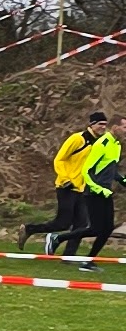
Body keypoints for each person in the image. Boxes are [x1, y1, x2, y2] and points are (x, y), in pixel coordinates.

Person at [25, 111, 106, 255]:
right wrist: (65, 179)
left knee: (81, 225)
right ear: (92, 124)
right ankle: (30, 229)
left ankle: (69, 255)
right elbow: (59, 159)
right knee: (62, 223)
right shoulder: (78, 138)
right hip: (67, 186)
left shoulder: (99, 143)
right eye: (100, 124)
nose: (103, 127)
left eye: (105, 124)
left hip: (82, 189)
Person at [70, 114, 123, 271]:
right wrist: (99, 189)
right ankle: (58, 238)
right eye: (125, 127)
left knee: (106, 229)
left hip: (106, 192)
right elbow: (86, 170)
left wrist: (123, 181)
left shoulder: (116, 144)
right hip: (94, 192)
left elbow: (111, 170)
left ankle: (88, 261)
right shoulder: (102, 143)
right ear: (115, 127)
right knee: (97, 229)